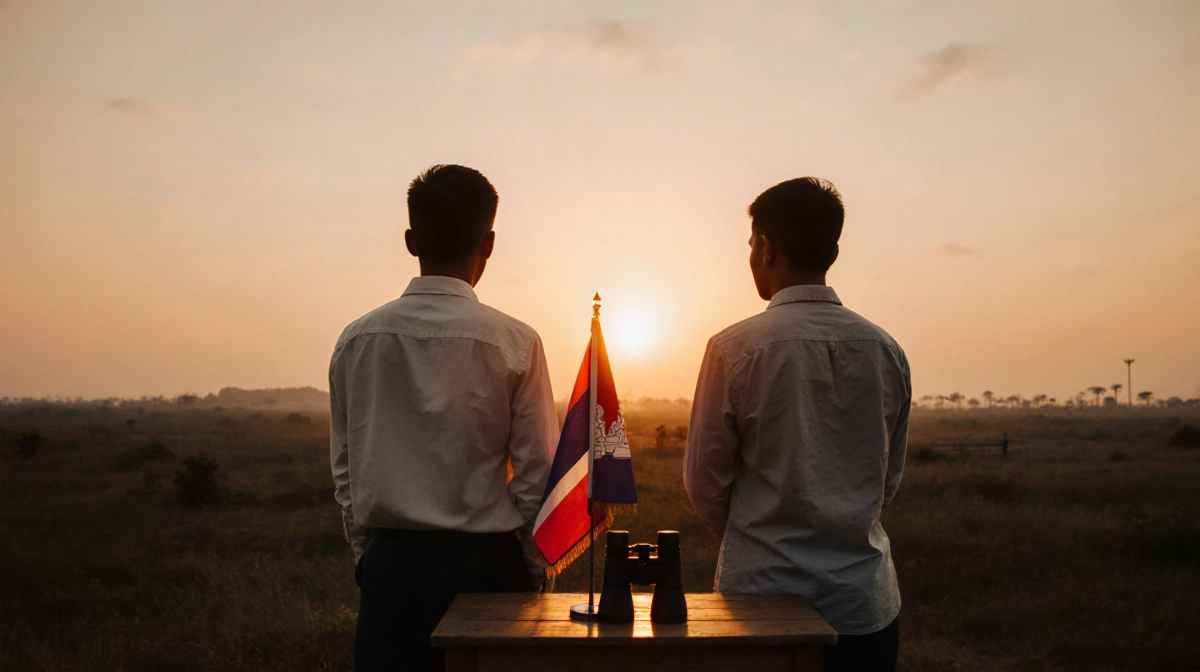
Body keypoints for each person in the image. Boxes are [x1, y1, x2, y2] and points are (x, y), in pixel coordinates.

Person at [329, 164, 558, 672]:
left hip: (390, 567)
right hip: (486, 565)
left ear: (411, 240)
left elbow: (346, 472)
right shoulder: (516, 342)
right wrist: (529, 567)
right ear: (489, 244)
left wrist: (368, 554)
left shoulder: (356, 339)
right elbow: (537, 471)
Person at [683, 177, 911, 671]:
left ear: (766, 249)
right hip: (862, 605)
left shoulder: (734, 349)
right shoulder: (886, 350)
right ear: (832, 249)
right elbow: (886, 482)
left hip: (760, 604)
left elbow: (704, 483)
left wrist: (760, 539)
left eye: (751, 244)